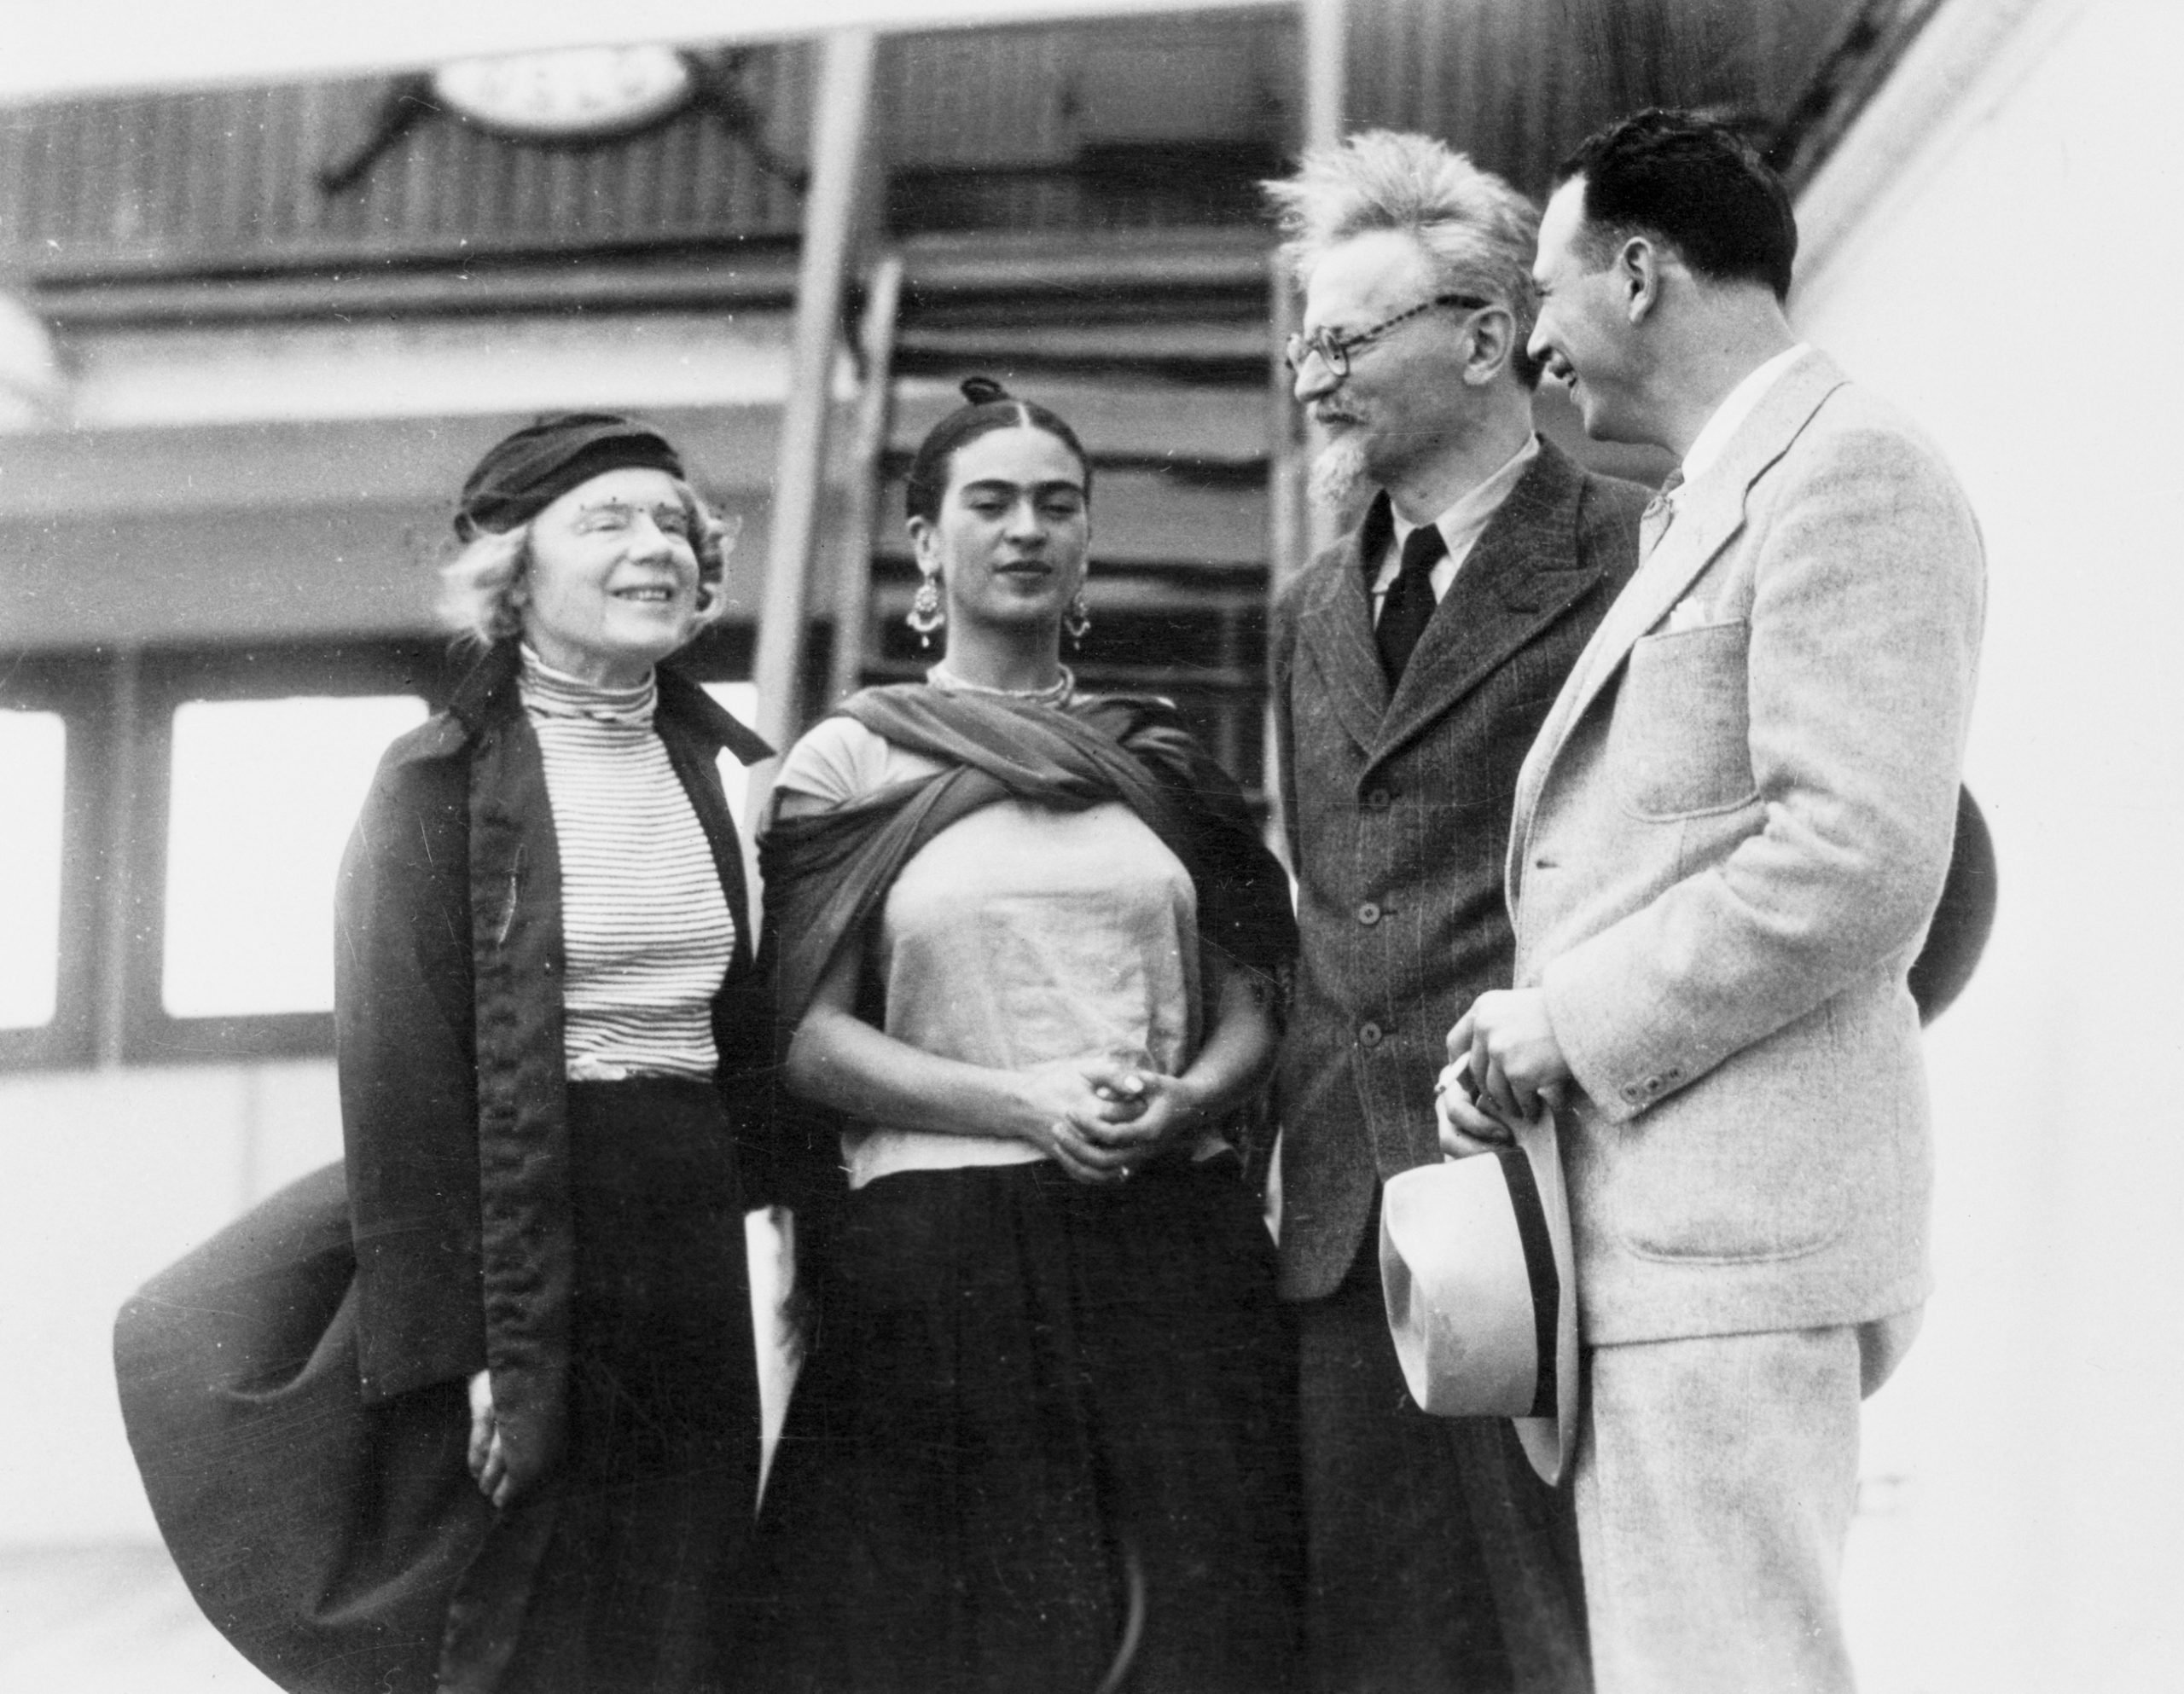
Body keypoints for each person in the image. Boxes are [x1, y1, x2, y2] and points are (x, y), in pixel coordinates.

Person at [1440, 110, 1985, 1693]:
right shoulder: (1716, 491)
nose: (1534, 340)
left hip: (1734, 1252)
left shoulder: (1851, 472)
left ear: (1638, 272)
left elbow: (1860, 856)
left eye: (1541, 292)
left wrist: (1571, 1023)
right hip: (1666, 1240)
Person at [114, 414, 775, 1694]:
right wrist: (479, 1351)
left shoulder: (706, 768)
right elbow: (404, 1088)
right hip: (530, 1235)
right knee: (527, 1612)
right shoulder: (429, 785)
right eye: (609, 522)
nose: (659, 548)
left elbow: (735, 1040)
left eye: (677, 525)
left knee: (683, 1596)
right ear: (513, 574)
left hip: (682, 1229)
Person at [724, 377, 1304, 1693]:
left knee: (1206, 1639)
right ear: (927, 540)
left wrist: (1188, 1103)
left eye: (1058, 505)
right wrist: (1024, 1101)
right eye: (988, 503)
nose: (1026, 529)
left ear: (1089, 539)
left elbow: (1254, 1002)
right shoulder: (853, 763)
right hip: (942, 1260)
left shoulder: (1157, 759)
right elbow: (805, 1040)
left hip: (1168, 1240)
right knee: (954, 1644)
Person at [1262, 131, 1645, 1694]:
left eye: (1346, 341)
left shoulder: (1639, 548)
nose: (1311, 378)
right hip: (1355, 1233)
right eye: (1305, 342)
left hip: (1564, 1209)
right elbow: (1327, 895)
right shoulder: (1311, 604)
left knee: (1573, 1650)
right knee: (1376, 1658)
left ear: (1488, 338)